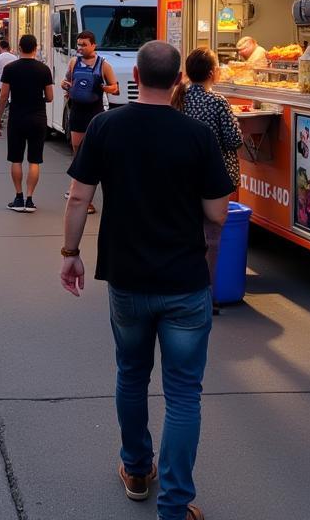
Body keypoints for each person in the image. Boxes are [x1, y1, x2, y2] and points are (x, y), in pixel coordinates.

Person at [62, 40, 231, 515]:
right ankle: (175, 506)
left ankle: (136, 468)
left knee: (131, 376)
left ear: (134, 75)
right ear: (179, 78)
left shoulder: (105, 126)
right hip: (184, 282)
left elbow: (77, 198)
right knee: (182, 394)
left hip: (127, 278)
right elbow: (218, 214)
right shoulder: (197, 135)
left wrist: (70, 253)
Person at [172, 47, 242, 304]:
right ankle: (207, 294)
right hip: (215, 176)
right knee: (211, 236)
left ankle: (183, 284)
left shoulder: (179, 96)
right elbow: (234, 140)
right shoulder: (217, 102)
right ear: (213, 72)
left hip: (184, 174)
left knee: (187, 230)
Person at [0, 34, 53, 213]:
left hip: (17, 118)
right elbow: (50, 97)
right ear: (36, 48)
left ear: (19, 48)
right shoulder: (44, 69)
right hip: (38, 118)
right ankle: (30, 199)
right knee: (34, 160)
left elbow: (3, 96)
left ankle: (18, 197)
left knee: (16, 159)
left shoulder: (10, 68)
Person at [63, 30, 119, 153]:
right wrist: (66, 86)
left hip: (95, 112)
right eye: (78, 45)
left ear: (94, 45)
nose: (80, 48)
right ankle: (78, 171)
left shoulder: (104, 65)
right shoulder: (73, 62)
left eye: (84, 45)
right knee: (77, 148)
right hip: (77, 111)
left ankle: (93, 171)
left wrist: (106, 88)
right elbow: (66, 81)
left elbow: (115, 88)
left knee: (94, 149)